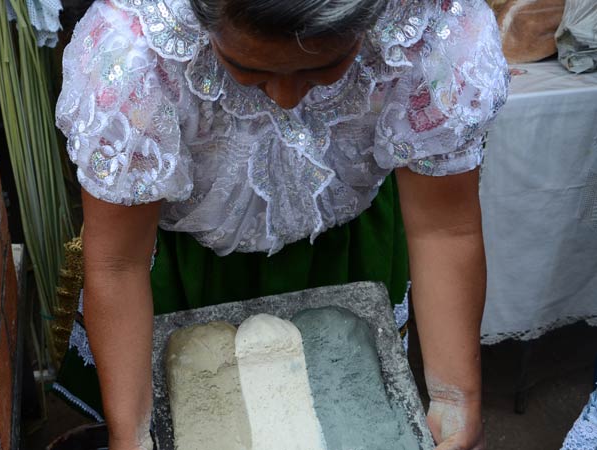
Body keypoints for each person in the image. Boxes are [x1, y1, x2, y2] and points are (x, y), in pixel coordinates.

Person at [54, 0, 509, 448]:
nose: (285, 98)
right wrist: (129, 437)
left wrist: (455, 397)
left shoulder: (429, 35)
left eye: (324, 69)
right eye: (248, 70)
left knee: (339, 417)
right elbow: (117, 264)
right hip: (181, 268)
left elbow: (443, 229)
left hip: (346, 251)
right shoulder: (136, 58)